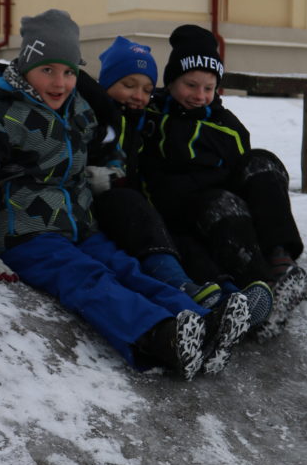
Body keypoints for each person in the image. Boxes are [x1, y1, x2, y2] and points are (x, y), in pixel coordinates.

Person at [0, 9, 250, 379]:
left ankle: (200, 321)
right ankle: (158, 335)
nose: (60, 83)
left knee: (126, 268)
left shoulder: (78, 111)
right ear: (26, 68)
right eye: (48, 70)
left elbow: (107, 146)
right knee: (87, 279)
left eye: (69, 72)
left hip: (81, 227)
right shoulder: (2, 117)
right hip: (28, 236)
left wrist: (108, 172)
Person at [89, 34, 274, 330]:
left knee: (187, 243)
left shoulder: (143, 119)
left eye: (147, 89)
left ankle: (231, 299)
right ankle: (197, 292)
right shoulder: (100, 116)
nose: (138, 95)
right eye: (128, 85)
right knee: (165, 236)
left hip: (156, 212)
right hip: (120, 212)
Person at [138, 24, 307, 336]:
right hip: (185, 212)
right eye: (191, 85)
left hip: (227, 205)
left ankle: (280, 258)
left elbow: (243, 167)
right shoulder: (152, 117)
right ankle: (261, 291)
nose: (200, 96)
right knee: (222, 203)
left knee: (262, 161)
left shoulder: (226, 126)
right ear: (171, 80)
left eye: (209, 88)